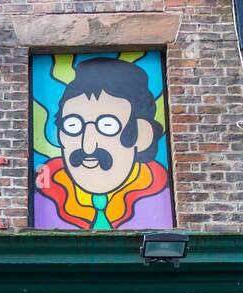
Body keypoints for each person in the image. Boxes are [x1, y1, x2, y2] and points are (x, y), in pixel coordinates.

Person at [34, 58, 171, 230]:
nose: (87, 146)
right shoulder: (45, 198)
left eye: (107, 126)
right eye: (72, 126)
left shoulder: (158, 201)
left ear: (142, 135)